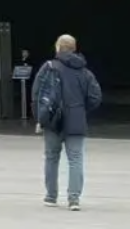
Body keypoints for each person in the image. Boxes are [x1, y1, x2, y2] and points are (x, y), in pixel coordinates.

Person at [33, 34, 102, 211]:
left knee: (51, 157)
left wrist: (40, 118)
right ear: (74, 48)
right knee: (76, 159)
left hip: (52, 120)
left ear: (58, 47)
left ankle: (51, 196)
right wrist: (81, 109)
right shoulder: (85, 72)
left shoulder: (49, 67)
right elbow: (95, 97)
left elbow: (37, 94)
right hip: (76, 121)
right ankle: (74, 199)